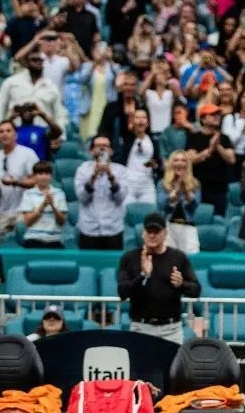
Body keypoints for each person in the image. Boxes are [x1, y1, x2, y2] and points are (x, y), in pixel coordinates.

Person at [116, 212, 201, 344]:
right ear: (143, 233)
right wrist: (143, 275)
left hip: (171, 330)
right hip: (141, 328)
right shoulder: (129, 258)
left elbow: (196, 290)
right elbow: (122, 292)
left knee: (171, 365)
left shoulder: (178, 257)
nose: (152, 235)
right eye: (149, 231)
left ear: (165, 233)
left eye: (156, 231)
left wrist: (181, 284)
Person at [74, 135, 128, 250]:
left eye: (106, 146)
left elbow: (120, 198)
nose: (102, 149)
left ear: (111, 151)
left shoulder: (121, 170)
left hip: (113, 228)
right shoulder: (83, 169)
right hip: (89, 228)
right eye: (98, 146)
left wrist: (111, 176)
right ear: (91, 150)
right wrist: (93, 176)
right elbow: (82, 197)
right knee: (87, 266)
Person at [17, 161, 68, 249]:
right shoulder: (28, 194)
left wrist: (53, 206)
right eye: (40, 173)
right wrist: (43, 205)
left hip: (54, 240)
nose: (44, 176)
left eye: (47, 173)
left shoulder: (59, 193)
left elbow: (62, 222)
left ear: (51, 176)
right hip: (33, 239)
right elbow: (28, 222)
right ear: (34, 176)